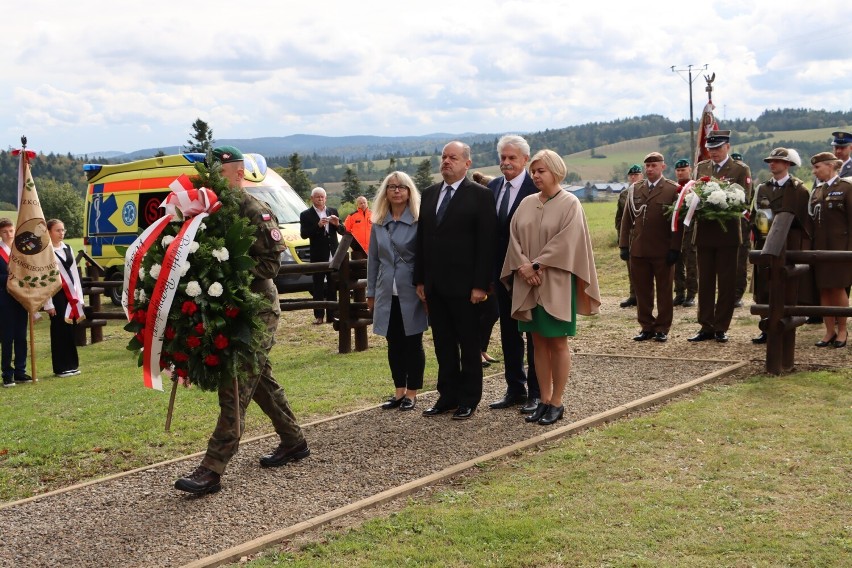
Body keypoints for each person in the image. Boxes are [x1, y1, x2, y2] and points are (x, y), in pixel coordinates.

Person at [174, 146, 309, 495]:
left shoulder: (254, 210)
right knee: (259, 379)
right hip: (228, 309)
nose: (212, 177)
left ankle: (212, 467)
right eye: (209, 171)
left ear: (236, 172)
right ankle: (294, 442)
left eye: (219, 170)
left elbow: (270, 265)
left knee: (235, 382)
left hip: (257, 310)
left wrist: (229, 277)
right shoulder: (208, 210)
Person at [500, 149, 600, 425]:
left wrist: (536, 265)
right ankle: (543, 399)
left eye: (541, 171)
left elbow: (567, 241)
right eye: (534, 171)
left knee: (556, 341)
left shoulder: (570, 204)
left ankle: (557, 401)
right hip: (528, 282)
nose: (535, 175)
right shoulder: (527, 203)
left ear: (556, 171)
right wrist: (522, 266)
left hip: (555, 282)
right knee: (537, 343)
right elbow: (514, 237)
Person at [414, 141, 495, 421]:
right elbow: (423, 239)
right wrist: (421, 279)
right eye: (444, 157)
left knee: (468, 344)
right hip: (435, 286)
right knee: (443, 343)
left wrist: (481, 284)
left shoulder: (480, 196)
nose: (446, 161)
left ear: (467, 164)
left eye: (453, 157)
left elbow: (487, 243)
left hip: (466, 287)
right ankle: (447, 396)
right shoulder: (429, 193)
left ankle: (469, 398)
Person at [486, 135, 540, 413]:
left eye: (512, 158)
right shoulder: (493, 187)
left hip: (528, 272)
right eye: (503, 158)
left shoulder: (536, 188)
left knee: (532, 333)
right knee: (508, 333)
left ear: (525, 160)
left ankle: (537, 392)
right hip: (501, 275)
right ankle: (515, 389)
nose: (506, 163)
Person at [366, 172, 426, 412]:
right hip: (385, 292)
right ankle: (399, 391)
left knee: (413, 342)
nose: (396, 191)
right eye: (391, 187)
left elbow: (424, 258)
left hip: (411, 291)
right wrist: (370, 292)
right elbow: (373, 260)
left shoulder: (419, 221)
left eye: (401, 187)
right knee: (394, 343)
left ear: (410, 191)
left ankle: (412, 392)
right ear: (385, 192)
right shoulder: (378, 223)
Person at [689, 131, 751, 343]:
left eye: (718, 148)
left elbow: (744, 200)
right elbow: (692, 194)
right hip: (704, 232)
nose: (714, 152)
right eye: (711, 148)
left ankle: (721, 326)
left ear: (728, 147)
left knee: (726, 282)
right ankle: (705, 325)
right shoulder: (701, 168)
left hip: (728, 234)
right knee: (705, 281)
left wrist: (723, 203)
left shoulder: (739, 169)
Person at [619, 152, 682, 342]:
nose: (649, 169)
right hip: (639, 250)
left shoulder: (672, 189)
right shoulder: (636, 189)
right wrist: (624, 245)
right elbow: (627, 219)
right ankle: (646, 326)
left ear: (663, 167)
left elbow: (678, 222)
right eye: (647, 166)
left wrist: (675, 248)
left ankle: (662, 327)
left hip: (662, 250)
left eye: (654, 166)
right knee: (642, 291)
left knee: (664, 291)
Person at [750, 148, 811, 344]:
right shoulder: (762, 188)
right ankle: (767, 326)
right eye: (770, 161)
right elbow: (756, 215)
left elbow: (805, 223)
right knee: (764, 287)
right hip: (765, 242)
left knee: (786, 286)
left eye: (777, 161)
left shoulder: (799, 190)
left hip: (789, 245)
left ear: (787, 164)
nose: (772, 164)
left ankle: (785, 325)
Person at [809, 151, 852, 348]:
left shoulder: (846, 188)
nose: (814, 171)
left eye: (818, 167)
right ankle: (829, 331)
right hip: (820, 248)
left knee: (838, 287)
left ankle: (842, 331)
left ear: (830, 166)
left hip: (841, 248)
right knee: (824, 288)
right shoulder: (817, 191)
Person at [43, 219, 84, 377]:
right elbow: (45, 278)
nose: (61, 233)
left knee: (70, 330)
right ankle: (60, 367)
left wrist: (79, 296)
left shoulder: (68, 248)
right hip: (56, 295)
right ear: (49, 232)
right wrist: (48, 303)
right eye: (57, 230)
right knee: (59, 330)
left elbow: (74, 273)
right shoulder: (46, 251)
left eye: (63, 230)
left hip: (71, 295)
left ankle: (72, 365)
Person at [300, 187, 345, 324]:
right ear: (312, 198)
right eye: (317, 197)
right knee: (318, 287)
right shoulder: (306, 214)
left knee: (333, 286)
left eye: (322, 197)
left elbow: (343, 231)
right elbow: (304, 234)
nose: (320, 199)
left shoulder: (332, 211)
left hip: (333, 255)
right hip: (318, 255)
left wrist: (337, 225)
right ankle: (319, 316)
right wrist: (318, 225)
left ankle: (333, 315)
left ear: (326, 198)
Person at [0, 217, 31, 387]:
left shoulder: (21, 250)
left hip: (21, 298)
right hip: (4, 299)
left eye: (11, 231)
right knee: (7, 337)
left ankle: (20, 371)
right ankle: (7, 373)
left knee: (21, 336)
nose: (8, 234)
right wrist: (10, 277)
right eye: (4, 231)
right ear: (0, 233)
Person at [616, 164, 643, 308]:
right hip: (629, 236)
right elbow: (619, 219)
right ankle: (634, 295)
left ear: (641, 176)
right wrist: (621, 238)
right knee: (631, 268)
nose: (634, 177)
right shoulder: (624, 194)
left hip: (643, 236)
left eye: (636, 175)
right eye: (631, 175)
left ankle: (644, 295)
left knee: (643, 268)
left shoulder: (646, 191)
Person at [672, 159, 697, 308]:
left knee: (691, 263)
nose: (681, 173)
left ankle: (691, 294)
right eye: (678, 170)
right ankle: (679, 293)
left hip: (691, 231)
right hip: (675, 231)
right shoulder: (672, 188)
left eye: (684, 170)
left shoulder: (695, 187)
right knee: (676, 264)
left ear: (690, 170)